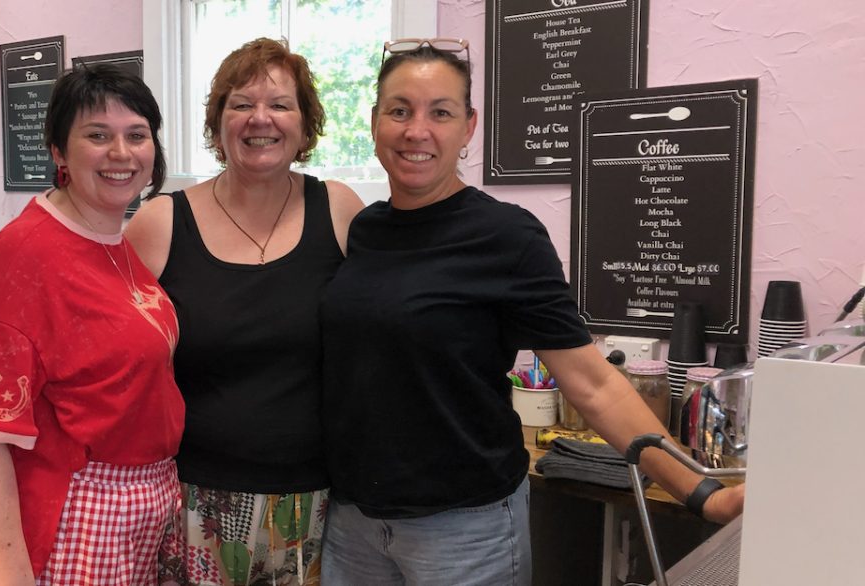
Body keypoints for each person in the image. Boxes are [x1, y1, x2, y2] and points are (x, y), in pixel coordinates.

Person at [317, 39, 746, 584]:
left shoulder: (507, 236)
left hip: (465, 529)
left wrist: (701, 490)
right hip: (353, 525)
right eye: (398, 110)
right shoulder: (363, 230)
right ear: (375, 122)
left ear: (469, 127)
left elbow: (594, 384)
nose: (415, 130)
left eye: (440, 112)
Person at [125, 38, 363, 585]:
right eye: (241, 103)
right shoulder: (161, 222)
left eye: (280, 104)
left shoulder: (341, 210)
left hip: (316, 500)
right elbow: (119, 359)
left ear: (305, 126)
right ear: (217, 122)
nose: (261, 119)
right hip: (192, 499)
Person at [0, 64, 183, 585]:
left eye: (137, 135)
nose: (121, 153)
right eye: (97, 135)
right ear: (58, 151)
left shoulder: (114, 242)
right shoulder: (21, 256)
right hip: (76, 522)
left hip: (145, 510)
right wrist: (8, 576)